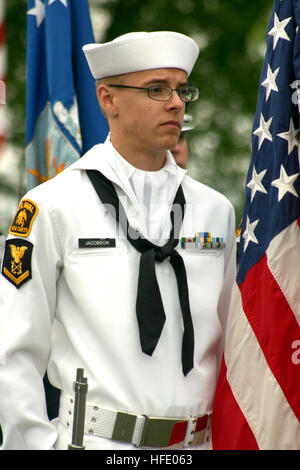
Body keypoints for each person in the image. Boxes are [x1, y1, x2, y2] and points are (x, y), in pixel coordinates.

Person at [0, 31, 236, 450]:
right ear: (107, 99)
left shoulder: (215, 211)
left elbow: (236, 345)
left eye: (182, 90)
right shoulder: (53, 206)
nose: (176, 102)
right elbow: (13, 349)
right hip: (97, 443)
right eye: (156, 89)